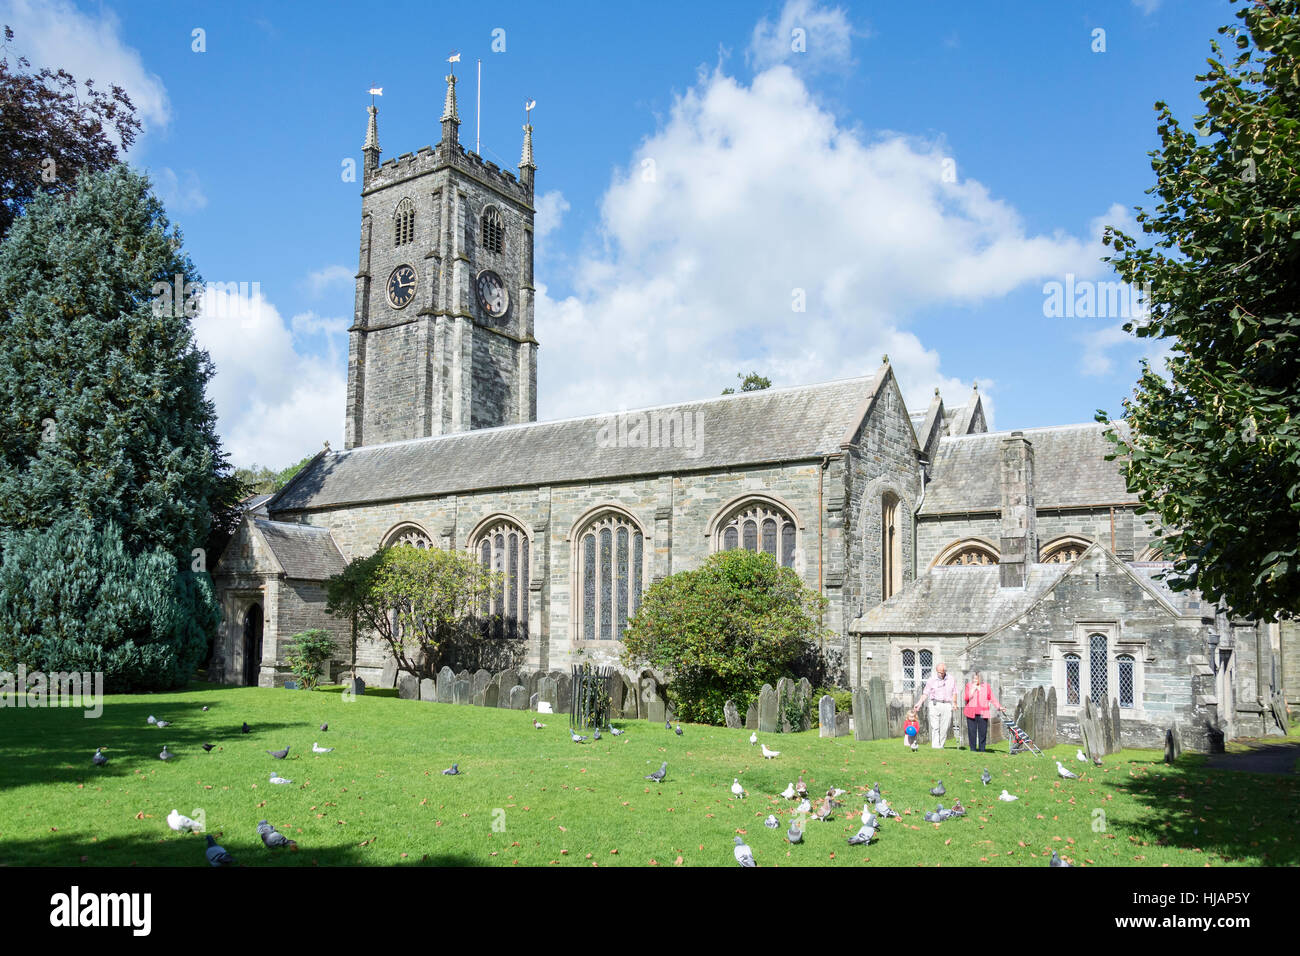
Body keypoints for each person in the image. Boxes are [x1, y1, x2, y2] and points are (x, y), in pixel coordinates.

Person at [913, 662, 958, 749]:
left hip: (947, 705)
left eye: (942, 672)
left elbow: (954, 692)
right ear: (936, 671)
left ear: (945, 671)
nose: (940, 674)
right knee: (935, 727)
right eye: (938, 672)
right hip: (934, 704)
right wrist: (919, 703)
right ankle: (935, 747)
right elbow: (925, 693)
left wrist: (955, 703)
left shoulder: (951, 679)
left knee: (944, 728)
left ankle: (941, 746)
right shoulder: (931, 679)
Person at [962, 671, 1001, 753]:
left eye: (977, 678)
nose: (975, 680)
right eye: (973, 678)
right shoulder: (969, 686)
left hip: (983, 712)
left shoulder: (986, 687)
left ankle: (982, 749)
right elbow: (966, 697)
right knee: (972, 732)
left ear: (980, 679)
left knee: (982, 732)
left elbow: (992, 698)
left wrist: (999, 706)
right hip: (971, 712)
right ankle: (973, 749)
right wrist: (973, 689)